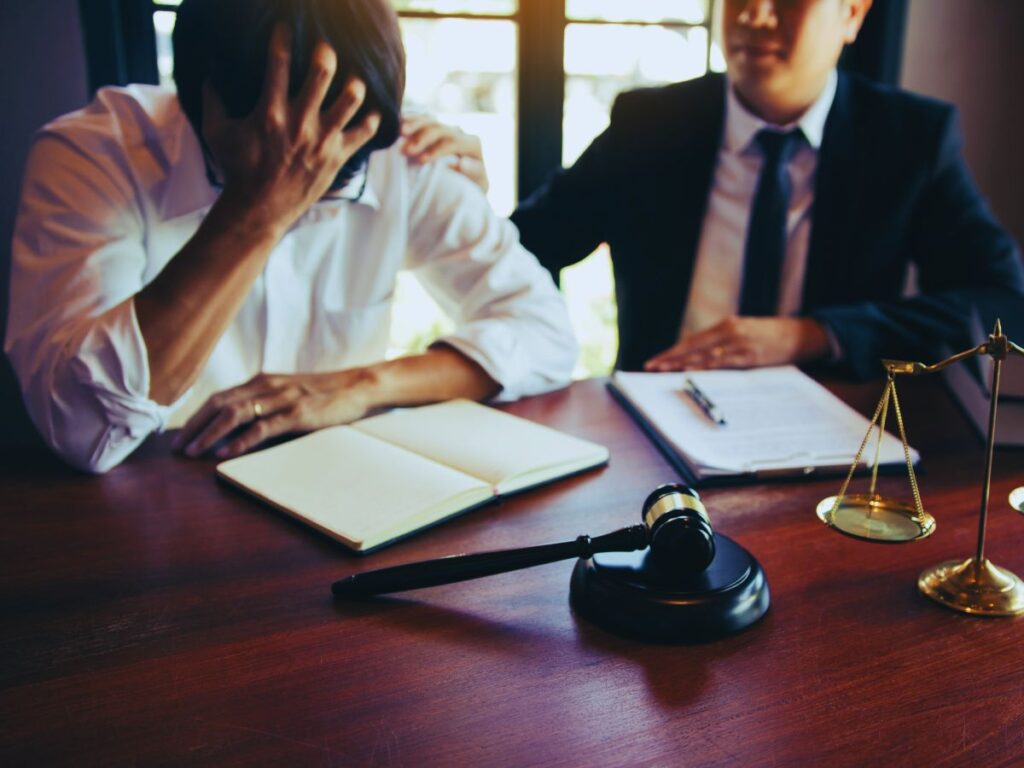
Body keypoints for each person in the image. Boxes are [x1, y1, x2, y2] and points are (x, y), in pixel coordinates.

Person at [5, 0, 577, 474]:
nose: (316, 167)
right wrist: (257, 211)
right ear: (201, 105)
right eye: (291, 152)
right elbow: (84, 431)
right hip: (147, 508)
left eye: (338, 166)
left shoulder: (397, 148)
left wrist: (358, 387)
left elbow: (545, 333)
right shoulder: (93, 155)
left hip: (332, 488)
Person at [403, 0, 1024, 379]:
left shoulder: (909, 138)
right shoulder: (652, 123)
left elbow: (1004, 301)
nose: (754, 14)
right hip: (659, 426)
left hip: (834, 427)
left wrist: (811, 334)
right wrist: (467, 202)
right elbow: (527, 251)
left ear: (853, 13)